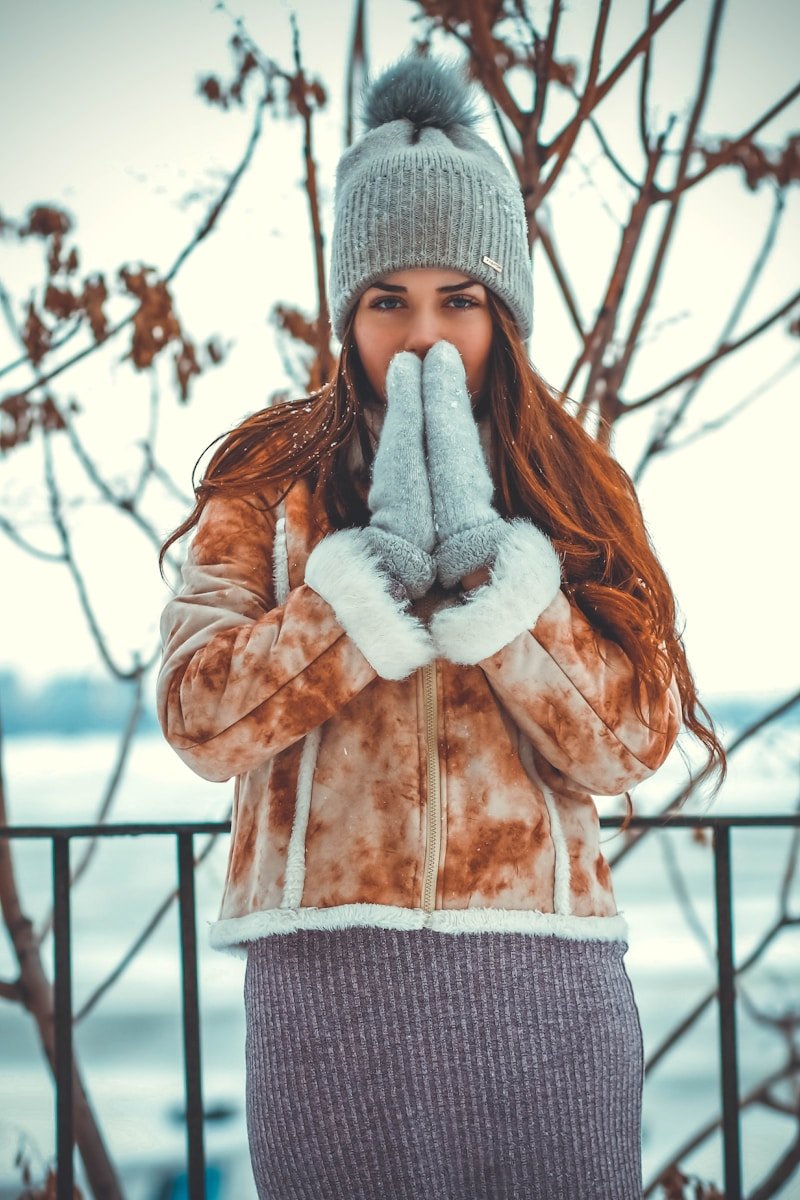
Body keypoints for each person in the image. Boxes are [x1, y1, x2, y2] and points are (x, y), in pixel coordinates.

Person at [157, 55, 725, 1200]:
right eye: (388, 300)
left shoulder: (569, 481)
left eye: (457, 300)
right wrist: (349, 603)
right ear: (346, 313)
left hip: (544, 992)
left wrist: (498, 582)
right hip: (326, 998)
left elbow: (631, 739)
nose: (422, 333)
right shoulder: (265, 480)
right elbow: (198, 717)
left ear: (500, 314)